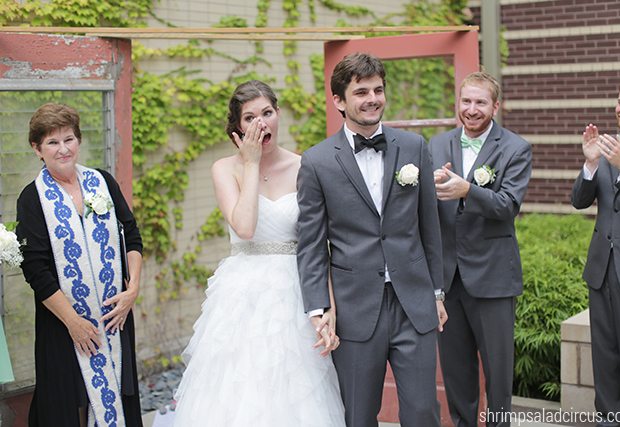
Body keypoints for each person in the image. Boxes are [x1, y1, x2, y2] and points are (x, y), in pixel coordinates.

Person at [172, 80, 345, 426]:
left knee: (296, 391)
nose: (260, 124)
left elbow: (317, 244)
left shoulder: (304, 166)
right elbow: (245, 228)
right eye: (249, 118)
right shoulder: (224, 169)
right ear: (237, 127)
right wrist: (250, 165)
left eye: (267, 113)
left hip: (296, 291)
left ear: (278, 114)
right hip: (242, 295)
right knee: (239, 390)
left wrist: (329, 307)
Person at [297, 52, 447, 427]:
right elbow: (312, 244)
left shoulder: (413, 146)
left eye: (378, 90)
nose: (372, 98)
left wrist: (437, 293)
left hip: (413, 302)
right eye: (361, 91)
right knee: (359, 415)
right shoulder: (317, 162)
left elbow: (430, 225)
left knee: (422, 412)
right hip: (354, 309)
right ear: (339, 101)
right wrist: (318, 308)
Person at [16, 103, 143, 427]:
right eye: (52, 143)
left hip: (115, 318)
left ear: (79, 140)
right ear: (37, 149)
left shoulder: (103, 183)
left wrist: (132, 291)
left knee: (119, 396)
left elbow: (131, 234)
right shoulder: (32, 199)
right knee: (69, 406)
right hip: (63, 326)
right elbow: (35, 270)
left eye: (69, 139)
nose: (63, 149)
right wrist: (73, 322)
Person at [428, 71, 532, 427]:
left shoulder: (516, 148)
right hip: (448, 278)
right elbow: (425, 210)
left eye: (480, 102)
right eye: (466, 101)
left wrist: (468, 190)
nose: (471, 110)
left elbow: (507, 206)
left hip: (493, 278)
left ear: (496, 106)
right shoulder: (436, 145)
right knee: (456, 373)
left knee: (498, 373)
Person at [571, 75, 620, 426]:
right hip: (601, 271)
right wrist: (591, 163)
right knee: (606, 360)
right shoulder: (606, 145)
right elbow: (579, 202)